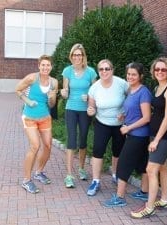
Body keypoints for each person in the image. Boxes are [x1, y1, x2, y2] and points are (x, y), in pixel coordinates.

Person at [131, 57, 167, 218]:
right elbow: (155, 112)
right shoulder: (158, 87)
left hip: (164, 135)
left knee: (151, 169)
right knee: (163, 166)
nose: (159, 72)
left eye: (163, 69)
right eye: (157, 69)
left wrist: (157, 140)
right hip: (155, 133)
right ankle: (164, 199)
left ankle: (149, 207)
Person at [103, 62, 152, 207]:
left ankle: (120, 198)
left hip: (138, 134)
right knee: (143, 164)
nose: (130, 77)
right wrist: (123, 117)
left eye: (134, 74)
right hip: (135, 133)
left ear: (141, 76)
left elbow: (146, 117)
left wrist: (128, 127)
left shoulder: (143, 92)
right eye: (129, 74)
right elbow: (135, 112)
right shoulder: (131, 90)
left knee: (123, 164)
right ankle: (144, 192)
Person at [15, 55, 58, 194]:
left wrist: (52, 98)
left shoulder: (54, 82)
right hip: (29, 117)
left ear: (51, 67)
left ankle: (38, 172)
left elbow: (51, 104)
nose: (45, 67)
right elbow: (18, 90)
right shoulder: (32, 78)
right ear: (39, 66)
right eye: (43, 65)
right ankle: (26, 180)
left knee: (48, 145)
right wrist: (27, 101)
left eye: (48, 65)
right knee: (35, 145)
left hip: (45, 117)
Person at [86, 59, 128, 196]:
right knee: (98, 151)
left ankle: (115, 174)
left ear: (112, 70)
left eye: (107, 69)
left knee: (118, 151)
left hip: (119, 125)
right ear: (98, 71)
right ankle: (96, 181)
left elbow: (133, 97)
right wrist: (90, 110)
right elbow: (91, 107)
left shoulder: (121, 83)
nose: (104, 71)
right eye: (101, 69)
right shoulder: (94, 88)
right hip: (102, 122)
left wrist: (125, 112)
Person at [60, 43, 97, 188]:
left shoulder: (91, 72)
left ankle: (81, 168)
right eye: (74, 55)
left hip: (85, 110)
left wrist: (88, 97)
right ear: (71, 56)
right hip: (71, 109)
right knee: (71, 140)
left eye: (79, 55)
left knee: (82, 139)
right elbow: (65, 91)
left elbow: (95, 91)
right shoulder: (67, 71)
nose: (77, 57)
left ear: (83, 56)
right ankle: (69, 175)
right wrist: (63, 94)